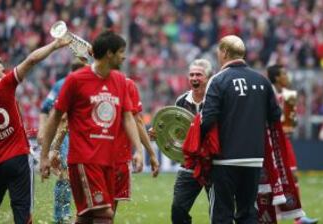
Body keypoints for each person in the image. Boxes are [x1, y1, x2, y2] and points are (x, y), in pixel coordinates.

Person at [40, 31, 144, 224]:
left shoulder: (120, 81)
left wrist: (138, 150)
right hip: (84, 159)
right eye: (121, 51)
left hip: (108, 161)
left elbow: (128, 117)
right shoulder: (75, 80)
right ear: (109, 54)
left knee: (86, 216)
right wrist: (46, 154)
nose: (125, 56)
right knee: (105, 214)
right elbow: (56, 118)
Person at [0, 38, 69, 224]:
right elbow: (30, 60)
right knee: (22, 213)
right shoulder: (3, 84)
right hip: (17, 160)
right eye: (2, 69)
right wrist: (54, 45)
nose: (5, 72)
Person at [200, 35, 281, 224]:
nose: (218, 56)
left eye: (219, 52)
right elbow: (275, 117)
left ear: (225, 52)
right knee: (248, 213)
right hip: (254, 158)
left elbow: (208, 118)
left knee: (222, 213)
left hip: (225, 158)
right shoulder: (262, 81)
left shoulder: (218, 79)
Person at [266, 64, 318, 224]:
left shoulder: (289, 96)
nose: (287, 77)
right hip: (269, 141)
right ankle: (274, 215)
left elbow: (290, 126)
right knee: (270, 180)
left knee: (292, 176)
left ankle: (299, 217)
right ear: (276, 78)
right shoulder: (267, 94)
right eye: (284, 74)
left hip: (284, 142)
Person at [37, 58, 86, 223]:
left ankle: (80, 214)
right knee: (64, 174)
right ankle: (61, 216)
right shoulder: (61, 85)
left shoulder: (89, 84)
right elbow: (45, 109)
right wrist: (43, 131)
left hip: (80, 135)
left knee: (79, 176)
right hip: (62, 133)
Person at [170, 59, 213, 224]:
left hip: (213, 165)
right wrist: (159, 134)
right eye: (192, 74)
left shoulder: (215, 100)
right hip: (189, 164)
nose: (194, 78)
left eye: (199, 75)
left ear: (208, 78)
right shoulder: (181, 101)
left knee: (219, 211)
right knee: (178, 208)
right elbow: (176, 131)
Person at [114, 77, 160, 210]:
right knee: (107, 214)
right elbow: (137, 120)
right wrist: (150, 154)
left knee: (88, 212)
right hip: (118, 157)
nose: (123, 56)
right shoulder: (127, 84)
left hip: (92, 155)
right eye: (121, 54)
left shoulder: (85, 80)